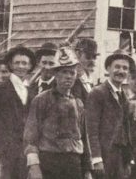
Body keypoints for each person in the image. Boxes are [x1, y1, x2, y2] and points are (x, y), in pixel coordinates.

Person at [24, 46, 92, 179]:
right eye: (64, 72)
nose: (68, 77)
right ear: (55, 74)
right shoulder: (41, 100)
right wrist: (34, 166)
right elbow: (30, 137)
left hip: (73, 164)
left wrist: (87, 170)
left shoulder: (78, 104)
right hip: (49, 162)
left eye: (72, 73)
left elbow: (84, 138)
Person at [0, 45, 37, 179]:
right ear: (10, 65)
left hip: (27, 158)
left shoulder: (34, 94)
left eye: (24, 63)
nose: (20, 66)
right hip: (3, 157)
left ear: (30, 66)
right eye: (17, 63)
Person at [86, 50, 135, 179]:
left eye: (125, 68)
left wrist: (129, 158)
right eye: (117, 67)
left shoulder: (124, 97)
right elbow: (91, 129)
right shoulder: (97, 93)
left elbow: (127, 129)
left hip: (121, 159)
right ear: (108, 68)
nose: (121, 71)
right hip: (104, 156)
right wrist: (96, 159)